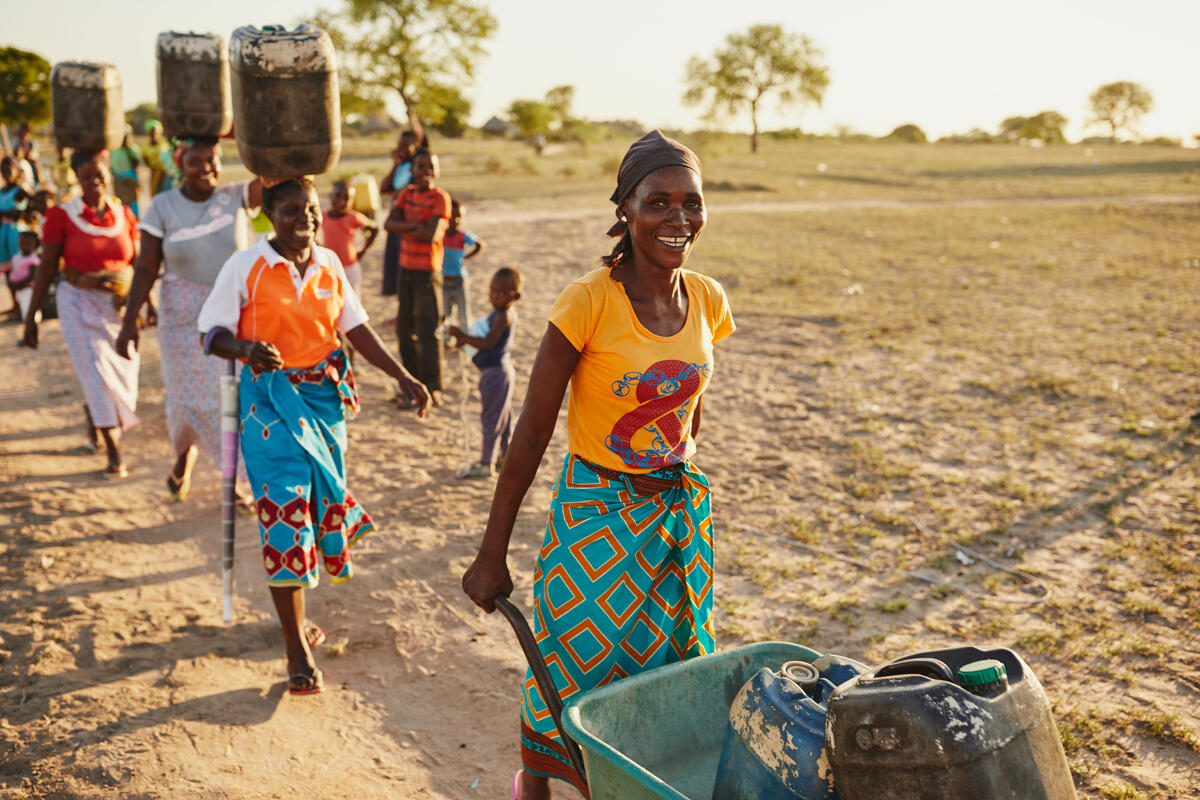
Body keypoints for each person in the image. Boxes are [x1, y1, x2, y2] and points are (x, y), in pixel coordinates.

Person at [461, 131, 734, 799]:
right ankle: (537, 787)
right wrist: (491, 552)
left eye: (690, 204)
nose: (678, 219)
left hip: (675, 515)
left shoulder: (707, 299)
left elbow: (690, 400)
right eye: (658, 203)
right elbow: (529, 435)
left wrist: (681, 462)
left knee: (672, 676)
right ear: (626, 210)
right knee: (568, 675)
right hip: (597, 515)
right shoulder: (588, 302)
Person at [197, 175, 431, 696]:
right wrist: (245, 350)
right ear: (269, 216)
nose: (303, 218)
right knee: (284, 515)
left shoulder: (329, 264)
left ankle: (297, 618)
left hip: (324, 406)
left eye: (311, 209)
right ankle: (296, 647)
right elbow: (209, 333)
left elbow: (357, 330)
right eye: (290, 210)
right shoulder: (245, 267)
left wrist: (403, 376)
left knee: (316, 507)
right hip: (267, 406)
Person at [115, 137, 262, 502]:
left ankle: (237, 480)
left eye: (211, 160)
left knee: (228, 399)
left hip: (232, 314)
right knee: (185, 402)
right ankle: (184, 457)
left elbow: (275, 178)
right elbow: (147, 265)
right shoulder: (163, 205)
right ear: (179, 166)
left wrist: (245, 130)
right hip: (181, 320)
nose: (206, 168)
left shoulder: (236, 195)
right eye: (195, 162)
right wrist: (130, 321)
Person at [22, 149, 141, 478]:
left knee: (120, 373)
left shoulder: (124, 213)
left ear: (109, 174)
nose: (94, 181)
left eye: (99, 174)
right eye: (86, 176)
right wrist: (33, 314)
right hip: (77, 303)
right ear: (76, 178)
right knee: (95, 372)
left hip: (117, 308)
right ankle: (114, 453)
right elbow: (47, 266)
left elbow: (138, 262)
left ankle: (95, 416)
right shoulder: (63, 215)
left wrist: (141, 301)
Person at [385, 150, 450, 406]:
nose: (426, 173)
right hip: (406, 268)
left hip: (427, 271)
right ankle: (411, 383)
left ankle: (432, 385)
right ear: (412, 170)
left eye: (431, 168)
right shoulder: (406, 193)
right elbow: (389, 225)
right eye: (421, 167)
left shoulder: (440, 198)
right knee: (404, 330)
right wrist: (415, 227)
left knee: (428, 330)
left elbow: (431, 235)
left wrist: (405, 227)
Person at [448, 267, 521, 479]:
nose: (495, 297)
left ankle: (486, 462)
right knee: (504, 418)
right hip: (500, 372)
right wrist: (463, 341)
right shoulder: (498, 314)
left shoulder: (503, 316)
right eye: (492, 291)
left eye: (502, 293)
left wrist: (463, 336)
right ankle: (504, 457)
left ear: (515, 296)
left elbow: (488, 343)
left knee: (492, 419)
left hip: (495, 374)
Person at [378, 116, 427, 299]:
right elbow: (384, 188)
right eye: (400, 145)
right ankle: (401, 310)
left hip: (410, 220)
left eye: (406, 145)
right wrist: (395, 164)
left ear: (417, 146)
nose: (402, 149)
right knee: (398, 265)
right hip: (397, 220)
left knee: (409, 264)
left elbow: (407, 192)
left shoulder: (419, 166)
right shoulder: (402, 166)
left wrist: (398, 193)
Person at [319, 180, 379, 294]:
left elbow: (374, 228)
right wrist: (318, 246)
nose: (342, 201)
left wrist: (363, 250)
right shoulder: (323, 217)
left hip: (350, 266)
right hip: (330, 266)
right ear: (330, 195)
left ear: (352, 201)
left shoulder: (353, 218)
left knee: (353, 299)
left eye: (347, 198)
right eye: (338, 196)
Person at [441, 200, 484, 334]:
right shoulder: (441, 234)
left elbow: (480, 244)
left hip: (459, 280)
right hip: (443, 280)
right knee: (445, 313)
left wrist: (467, 257)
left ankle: (466, 337)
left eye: (460, 216)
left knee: (463, 312)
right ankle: (447, 338)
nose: (456, 220)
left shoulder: (463, 236)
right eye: (452, 216)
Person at [6, 230, 40, 332]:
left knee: (29, 314)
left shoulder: (33, 260)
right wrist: (11, 282)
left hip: (27, 290)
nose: (23, 246)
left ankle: (31, 333)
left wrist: (19, 284)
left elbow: (32, 276)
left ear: (35, 245)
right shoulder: (17, 257)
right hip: (18, 290)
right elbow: (13, 271)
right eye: (21, 243)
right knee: (23, 311)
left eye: (27, 244)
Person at [108, 126, 142, 217]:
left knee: (132, 202)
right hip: (118, 179)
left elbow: (136, 165)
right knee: (120, 202)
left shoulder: (133, 150)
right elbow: (112, 166)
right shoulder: (113, 150)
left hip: (130, 178)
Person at [141, 121, 169, 197]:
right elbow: (146, 162)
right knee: (156, 194)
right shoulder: (145, 148)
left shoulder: (165, 144)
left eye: (156, 133)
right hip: (154, 174)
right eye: (152, 133)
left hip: (166, 173)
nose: (154, 135)